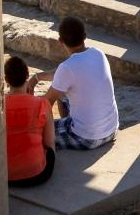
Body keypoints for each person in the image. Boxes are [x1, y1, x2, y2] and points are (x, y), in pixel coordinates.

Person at [37, 16, 118, 151]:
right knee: (61, 92)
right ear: (85, 36)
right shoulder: (99, 53)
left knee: (37, 133)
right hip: (111, 130)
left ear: (60, 41)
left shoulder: (67, 67)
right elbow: (63, 76)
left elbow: (45, 105)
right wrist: (37, 77)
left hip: (87, 138)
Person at [2, 55, 54, 187]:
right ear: (27, 76)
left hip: (3, 175)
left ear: (6, 80)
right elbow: (49, 142)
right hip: (36, 174)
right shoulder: (42, 103)